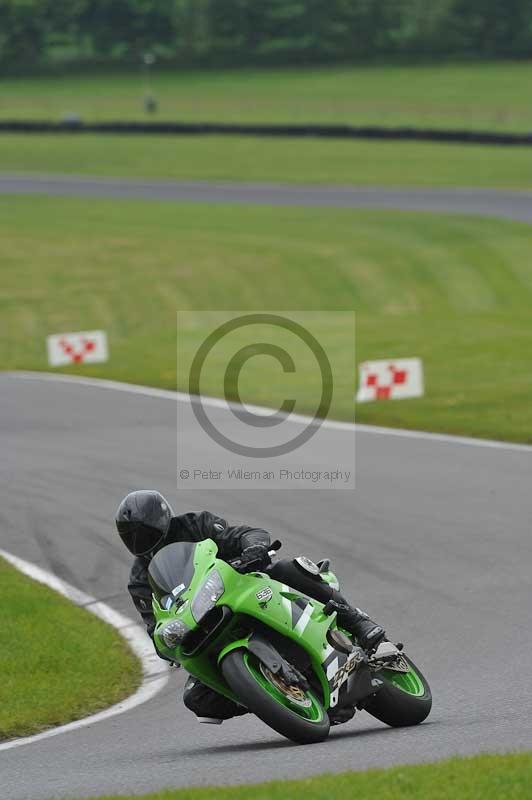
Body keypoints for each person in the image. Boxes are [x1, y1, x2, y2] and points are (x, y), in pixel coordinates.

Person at [116, 489, 386, 724]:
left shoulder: (195, 525)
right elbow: (154, 625)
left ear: (162, 519)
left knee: (285, 568)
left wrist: (253, 549)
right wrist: (166, 642)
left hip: (246, 583)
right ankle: (265, 694)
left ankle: (358, 622)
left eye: (145, 532)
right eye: (132, 537)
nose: (140, 541)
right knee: (196, 698)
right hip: (203, 621)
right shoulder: (140, 580)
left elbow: (244, 534)